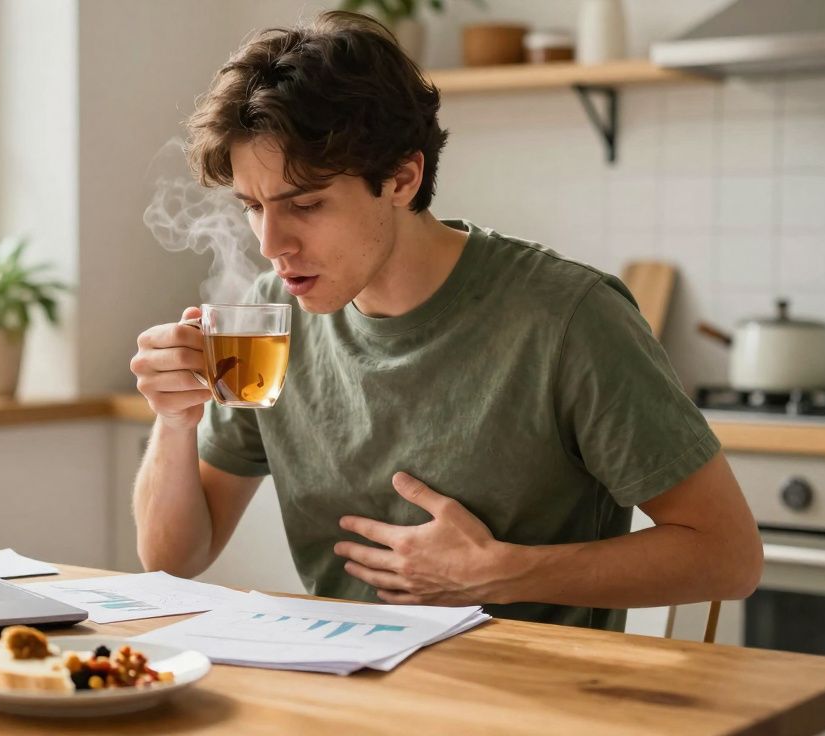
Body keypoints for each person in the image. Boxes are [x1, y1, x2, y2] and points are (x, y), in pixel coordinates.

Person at [128, 11, 762, 630]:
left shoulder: (570, 318)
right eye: (252, 207)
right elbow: (173, 558)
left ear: (403, 177)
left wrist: (506, 573)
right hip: (345, 694)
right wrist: (175, 421)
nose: (271, 243)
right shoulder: (272, 321)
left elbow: (728, 557)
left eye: (308, 204)